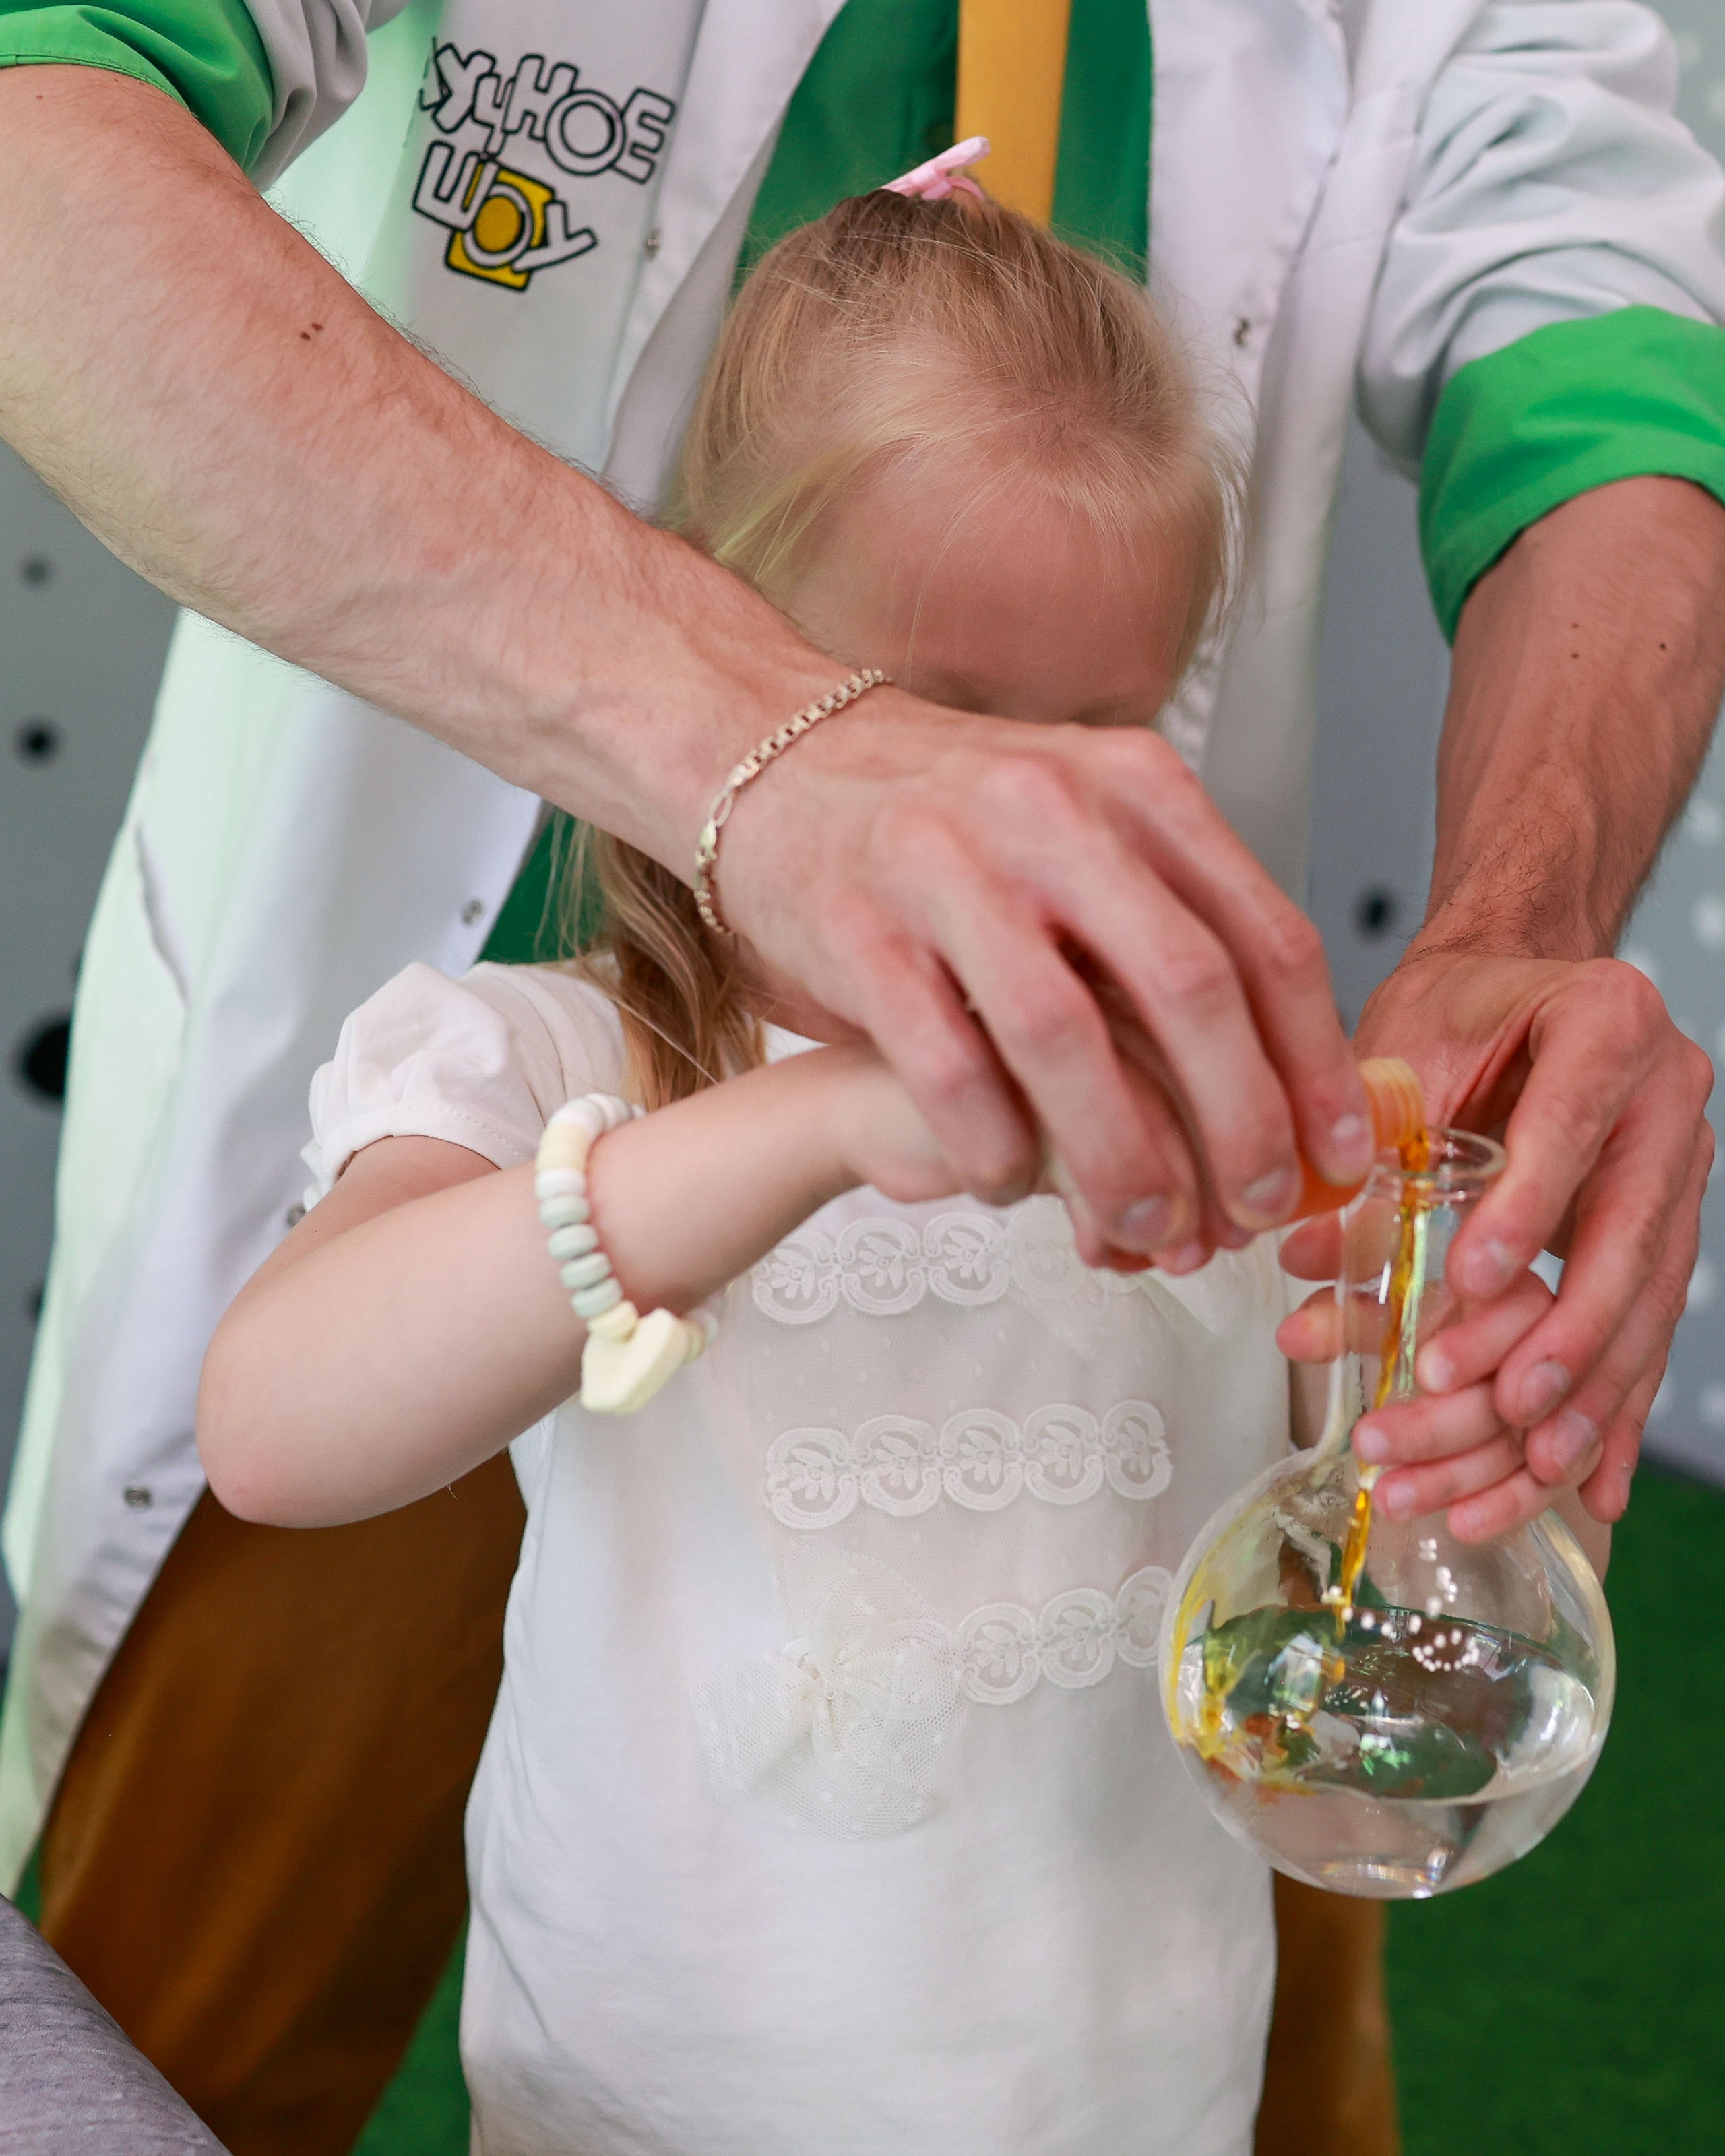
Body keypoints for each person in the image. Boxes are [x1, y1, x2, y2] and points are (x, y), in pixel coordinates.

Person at [1, 1, 1723, 2148]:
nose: (1028, 824)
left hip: (1130, 2104)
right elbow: (281, 1423)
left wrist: (1465, 1394)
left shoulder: (1211, 1142)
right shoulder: (571, 1067)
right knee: (181, 1999)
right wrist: (810, 1125)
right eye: (926, 723)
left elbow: (1367, 1537)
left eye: (1105, 734)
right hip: (649, 2112)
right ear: (746, 659)